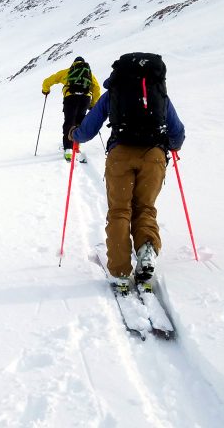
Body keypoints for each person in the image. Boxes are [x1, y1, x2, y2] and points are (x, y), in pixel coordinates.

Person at [70, 53, 185, 294]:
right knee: (145, 208)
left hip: (120, 155)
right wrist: (173, 146)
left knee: (120, 210)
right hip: (153, 156)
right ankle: (146, 255)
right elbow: (177, 131)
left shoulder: (114, 92)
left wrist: (74, 135)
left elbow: (89, 129)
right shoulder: (158, 93)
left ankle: (120, 272)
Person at [41, 57, 101, 161]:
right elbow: (97, 89)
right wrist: (92, 104)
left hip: (71, 98)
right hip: (85, 99)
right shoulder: (89, 75)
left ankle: (68, 149)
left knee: (69, 121)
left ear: (73, 64)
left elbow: (48, 80)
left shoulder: (67, 72)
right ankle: (76, 146)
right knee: (80, 122)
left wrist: (45, 90)